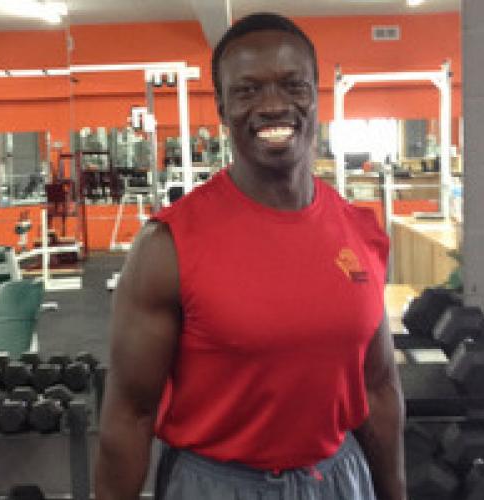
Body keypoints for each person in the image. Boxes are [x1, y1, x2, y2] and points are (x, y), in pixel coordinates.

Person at [95, 12, 406, 500]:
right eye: (247, 91)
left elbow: (379, 389)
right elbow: (129, 414)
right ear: (221, 108)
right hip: (216, 484)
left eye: (292, 85)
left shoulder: (360, 232)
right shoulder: (166, 246)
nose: (274, 105)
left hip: (340, 478)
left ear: (315, 96)